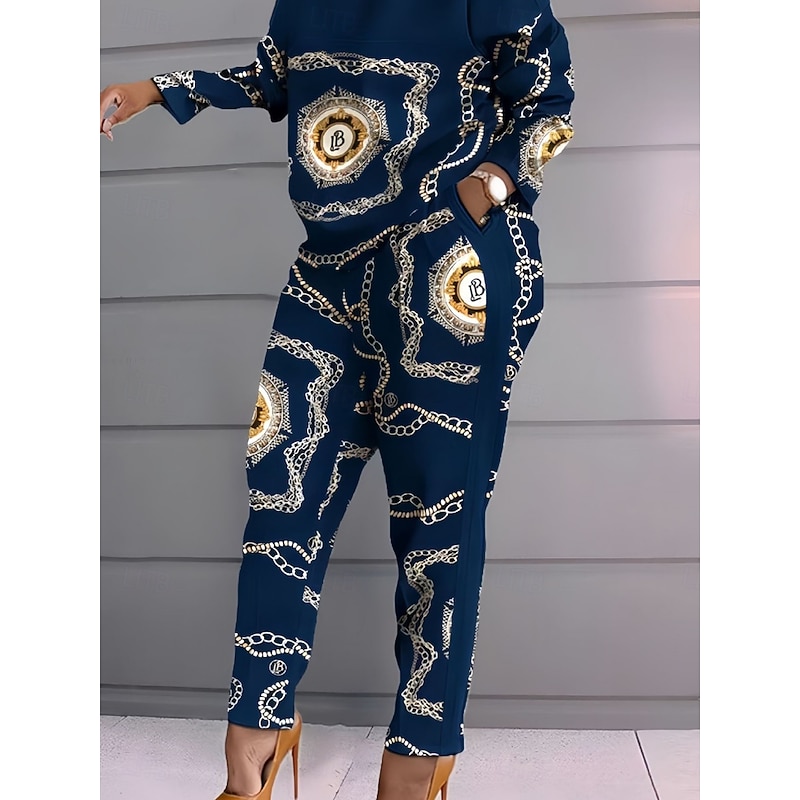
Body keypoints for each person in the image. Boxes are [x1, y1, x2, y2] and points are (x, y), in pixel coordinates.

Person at [100, 1, 574, 798]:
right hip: (326, 271)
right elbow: (277, 75)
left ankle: (419, 755)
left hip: (446, 266)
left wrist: (484, 189)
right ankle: (256, 742)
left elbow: (548, 100)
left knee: (438, 522)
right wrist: (160, 88)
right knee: (282, 496)